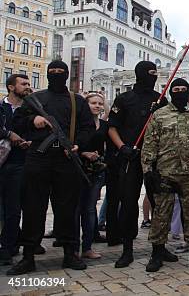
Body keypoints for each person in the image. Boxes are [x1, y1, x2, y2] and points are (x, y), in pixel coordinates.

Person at [8, 61, 95, 275]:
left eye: (60, 72)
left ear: (67, 75)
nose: (56, 75)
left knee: (67, 209)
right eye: (53, 72)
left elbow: (88, 128)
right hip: (38, 158)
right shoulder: (35, 99)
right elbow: (17, 122)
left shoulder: (77, 101)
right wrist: (33, 119)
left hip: (66, 159)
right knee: (33, 208)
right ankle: (28, 255)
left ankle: (69, 253)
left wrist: (78, 145)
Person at [141, 78, 189, 272]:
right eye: (176, 89)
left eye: (183, 89)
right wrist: (148, 170)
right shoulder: (159, 115)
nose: (179, 92)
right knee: (162, 214)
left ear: (188, 93)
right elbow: (150, 144)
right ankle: (157, 253)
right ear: (171, 92)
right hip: (165, 173)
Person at [107, 61, 168, 268]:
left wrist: (161, 111)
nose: (153, 76)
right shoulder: (124, 99)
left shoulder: (159, 99)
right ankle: (127, 249)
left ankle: (160, 247)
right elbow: (112, 127)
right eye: (150, 73)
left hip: (155, 159)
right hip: (131, 157)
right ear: (140, 74)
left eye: (155, 73)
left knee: (159, 202)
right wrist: (122, 147)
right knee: (128, 202)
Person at [0, 74, 32, 265]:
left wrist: (31, 142)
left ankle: (9, 246)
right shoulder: (2, 108)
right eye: (24, 84)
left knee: (14, 208)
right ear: (11, 87)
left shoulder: (31, 109)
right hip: (3, 161)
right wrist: (9, 133)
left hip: (21, 163)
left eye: (29, 83)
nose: (28, 87)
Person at [76, 92, 108, 259]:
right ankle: (74, 246)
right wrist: (83, 153)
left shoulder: (103, 125)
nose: (97, 106)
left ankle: (87, 246)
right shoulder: (79, 124)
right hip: (79, 168)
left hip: (96, 170)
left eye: (99, 103)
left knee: (89, 209)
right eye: (93, 103)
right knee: (76, 209)